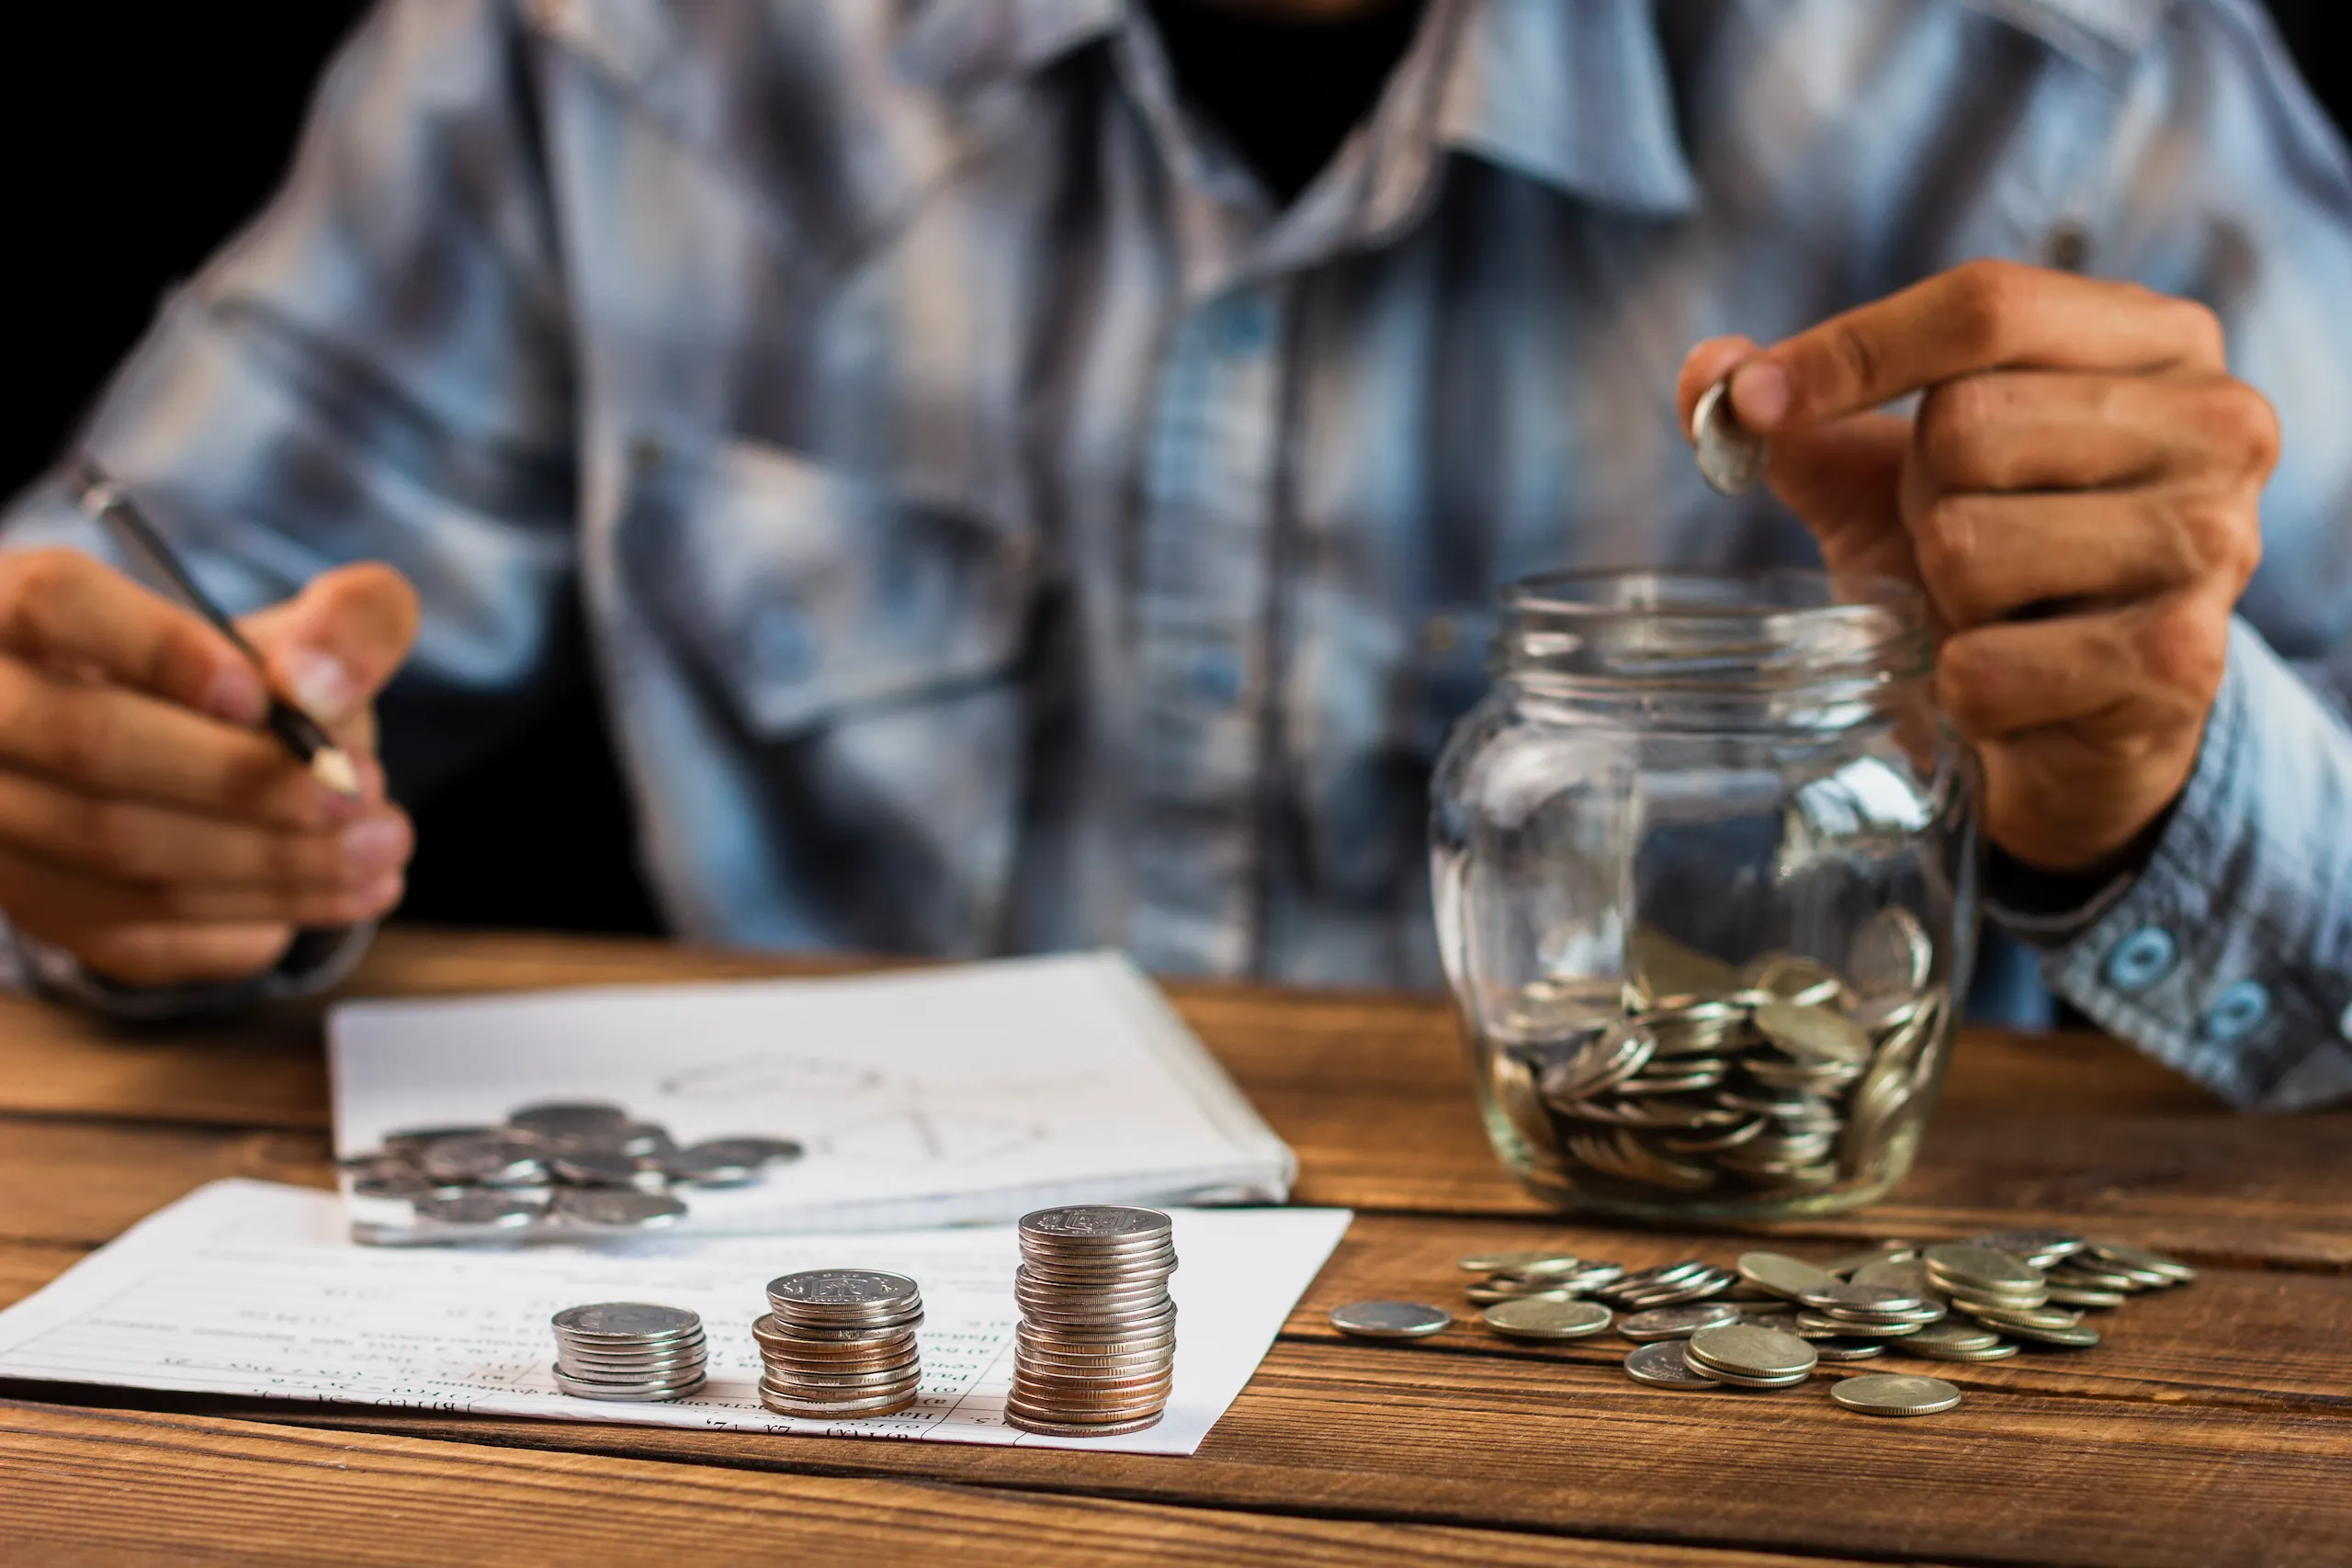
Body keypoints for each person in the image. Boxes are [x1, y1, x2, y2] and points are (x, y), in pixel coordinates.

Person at [1, 0, 2346, 1110]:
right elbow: (136, 633)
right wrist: (121, 798)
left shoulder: (2063, 81)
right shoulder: (593, 52)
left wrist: (2140, 767)